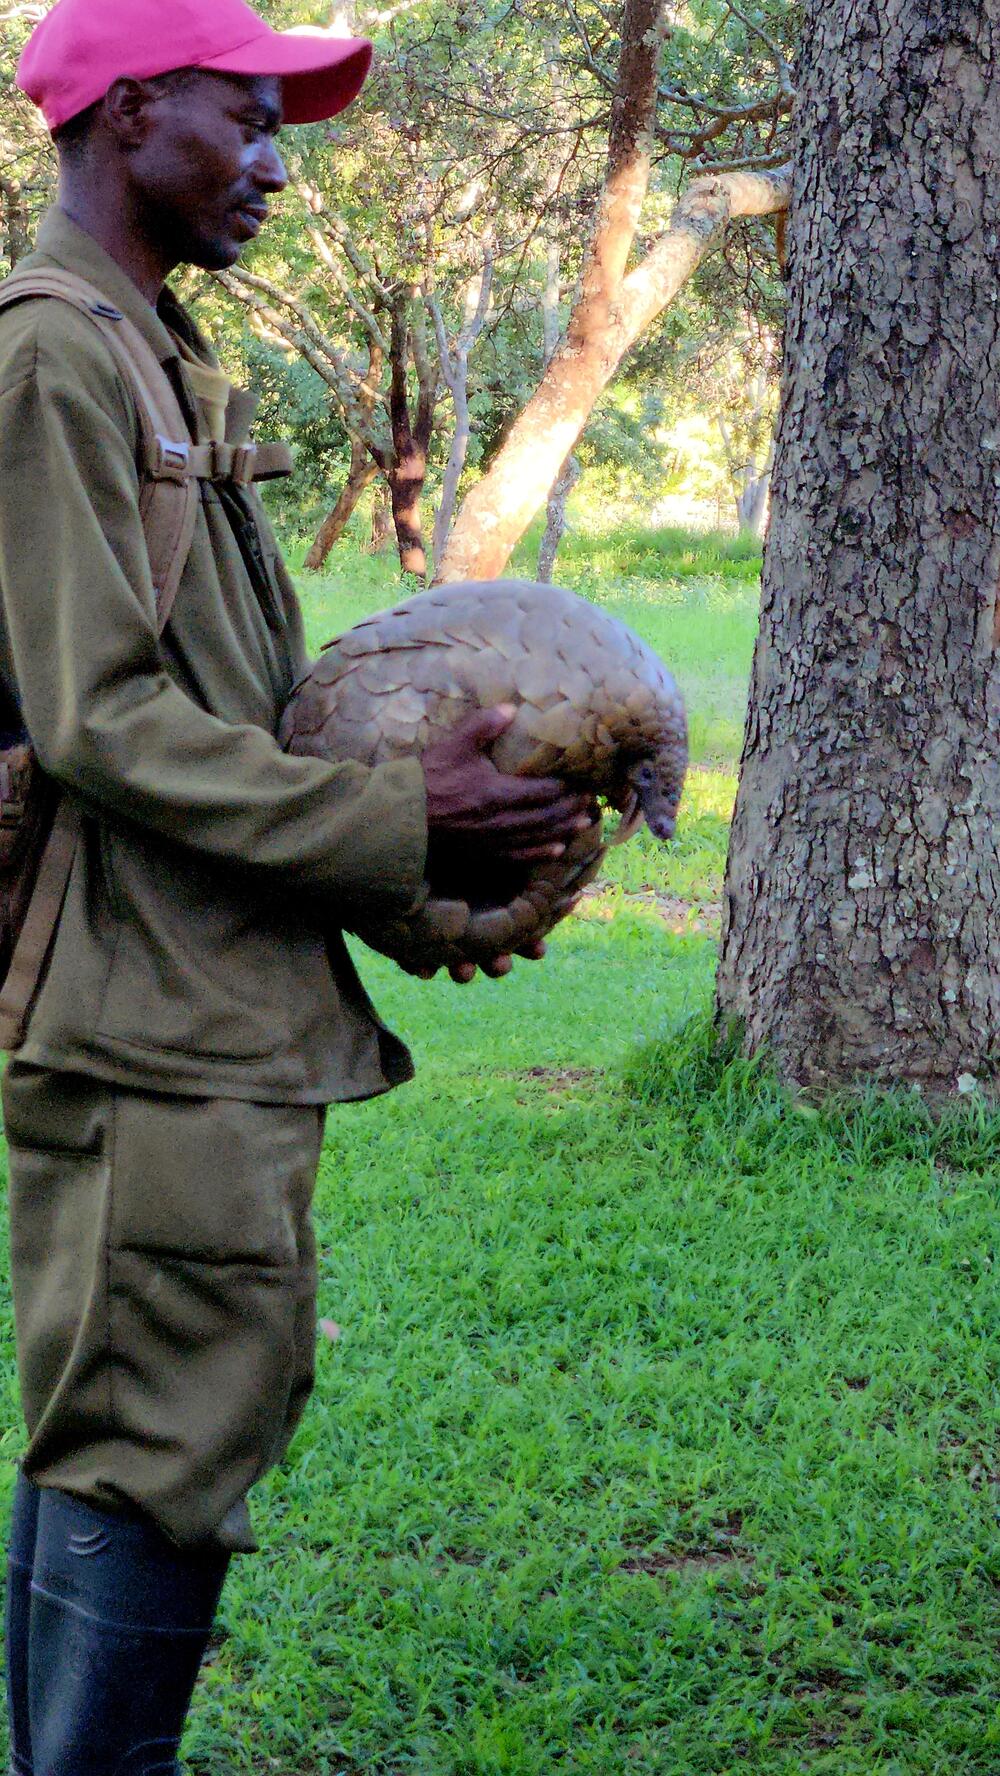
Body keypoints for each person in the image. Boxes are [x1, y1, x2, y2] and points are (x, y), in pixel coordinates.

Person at [0, 2, 594, 1769]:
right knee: (157, 1434)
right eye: (245, 121)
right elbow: (97, 718)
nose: (277, 163)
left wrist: (427, 832)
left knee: (145, 1416)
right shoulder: (57, 358)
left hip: (207, 986)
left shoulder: (149, 352)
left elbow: (218, 701)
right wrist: (396, 826)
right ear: (123, 115)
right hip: (138, 1002)